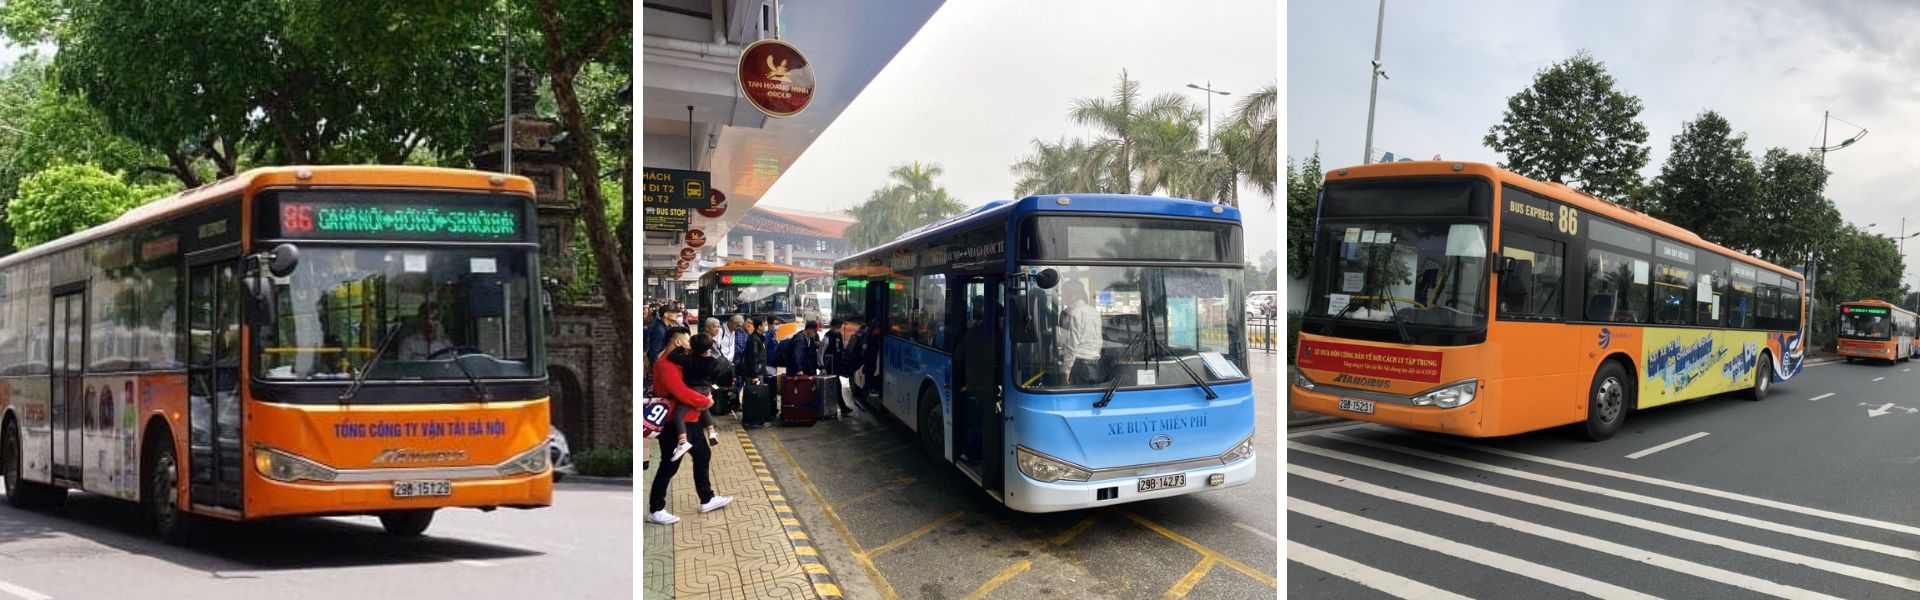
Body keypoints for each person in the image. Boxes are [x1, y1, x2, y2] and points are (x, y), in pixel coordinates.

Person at [647, 328, 731, 524]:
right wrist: (706, 402)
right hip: (673, 424)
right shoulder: (665, 365)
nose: (690, 345)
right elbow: (681, 392)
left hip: (690, 419)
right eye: (687, 341)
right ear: (677, 343)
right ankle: (655, 509)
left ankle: (707, 498)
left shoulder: (679, 360)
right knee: (669, 465)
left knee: (703, 455)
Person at [956, 299, 994, 463]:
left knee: (974, 420)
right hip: (986, 386)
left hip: (974, 385)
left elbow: (958, 357)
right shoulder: (998, 337)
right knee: (979, 420)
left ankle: (972, 452)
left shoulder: (972, 333)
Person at [1059, 283, 1104, 385]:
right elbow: (1099, 340)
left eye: (1064, 294)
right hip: (1095, 365)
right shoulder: (1094, 311)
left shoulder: (1074, 313)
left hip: (1079, 367)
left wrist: (1066, 371)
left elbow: (1072, 345)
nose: (1062, 297)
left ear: (1073, 294)